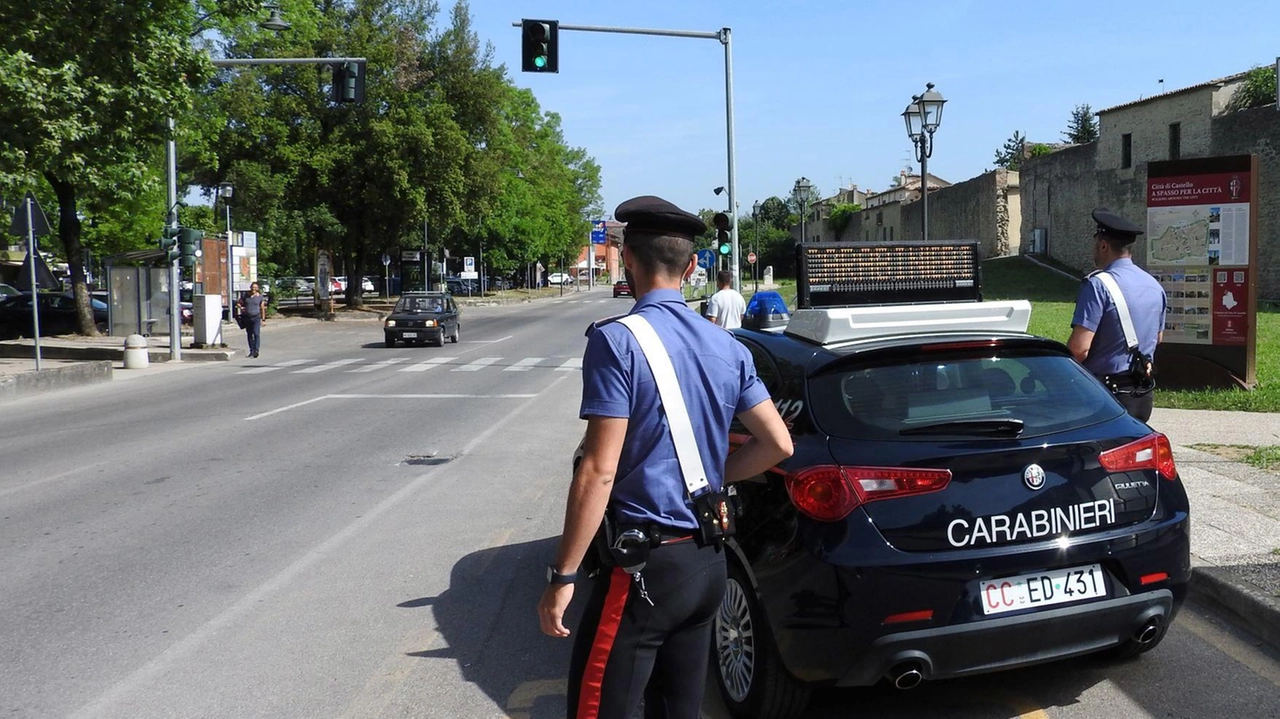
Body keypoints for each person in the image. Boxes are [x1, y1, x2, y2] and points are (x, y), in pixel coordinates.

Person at [537, 195, 793, 719]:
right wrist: (711, 478)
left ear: (627, 259)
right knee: (681, 709)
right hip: (708, 559)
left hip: (644, 569)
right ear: (692, 266)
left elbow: (598, 468)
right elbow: (778, 444)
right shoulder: (728, 346)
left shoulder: (617, 341)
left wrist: (562, 577)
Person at [1068, 208, 1167, 421]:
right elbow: (1158, 338)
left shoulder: (1097, 285)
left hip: (1104, 396)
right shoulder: (1153, 285)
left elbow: (1079, 349)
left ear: (1103, 245)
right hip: (1141, 393)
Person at [238, 282, 267, 358]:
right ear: (250, 288)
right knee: (249, 334)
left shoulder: (260, 297)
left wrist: (263, 319)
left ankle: (256, 350)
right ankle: (251, 351)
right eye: (252, 287)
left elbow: (262, 308)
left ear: (257, 288)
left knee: (256, 334)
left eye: (255, 287)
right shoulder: (245, 296)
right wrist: (241, 307)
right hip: (247, 317)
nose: (253, 289)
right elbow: (239, 303)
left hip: (256, 317)